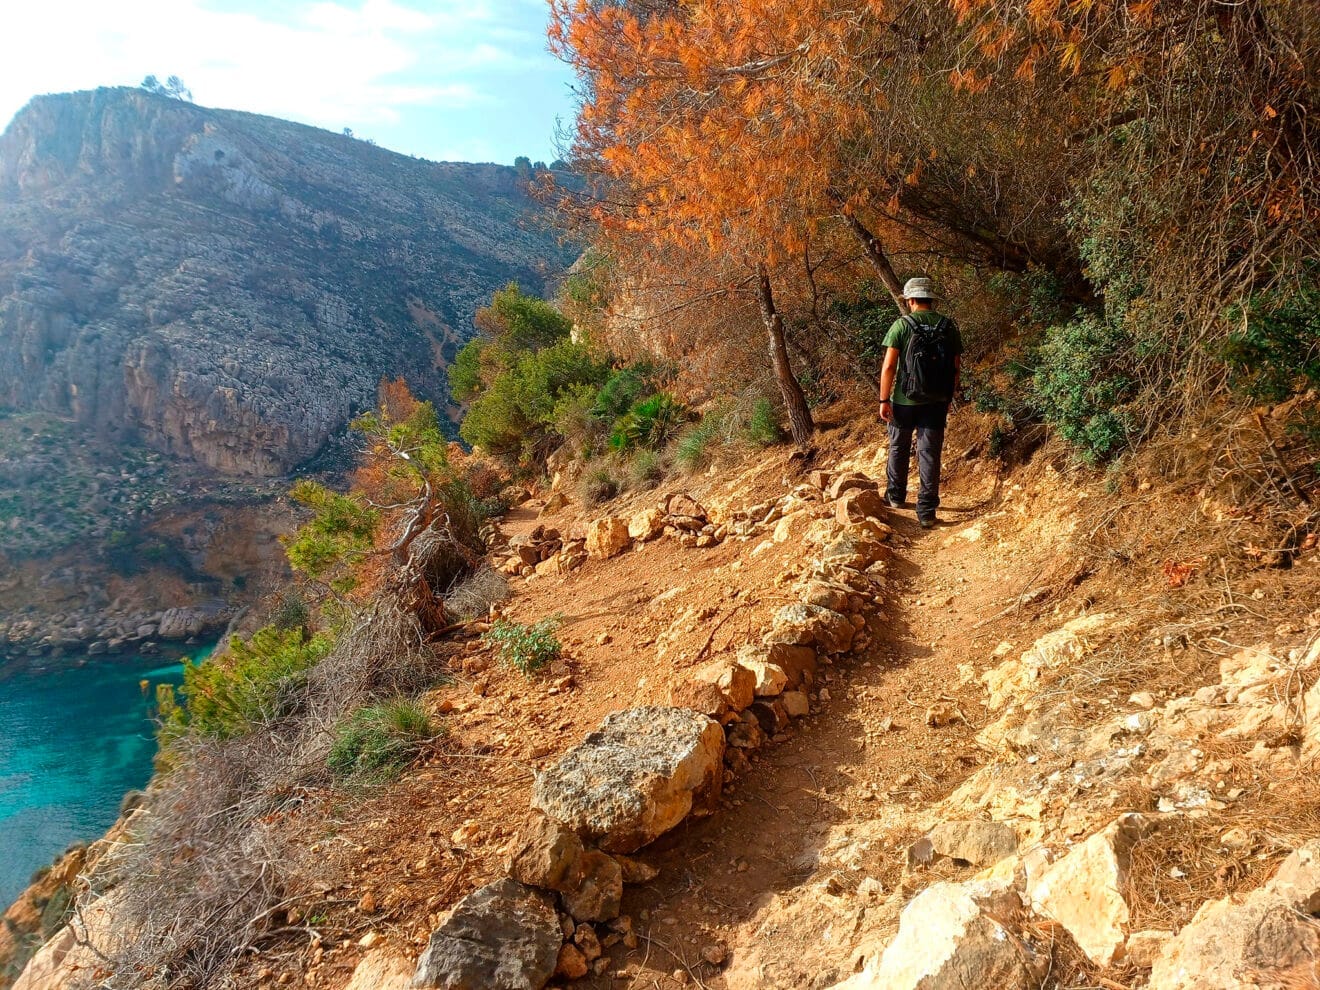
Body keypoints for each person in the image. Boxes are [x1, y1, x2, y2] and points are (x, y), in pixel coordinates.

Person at [878, 277, 963, 528]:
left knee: (899, 447)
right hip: (937, 401)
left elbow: (889, 366)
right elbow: (956, 367)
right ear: (931, 299)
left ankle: (895, 496)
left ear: (911, 300)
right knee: (929, 453)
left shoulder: (902, 326)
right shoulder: (948, 326)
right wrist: (948, 396)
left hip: (904, 401)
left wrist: (884, 399)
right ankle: (926, 511)